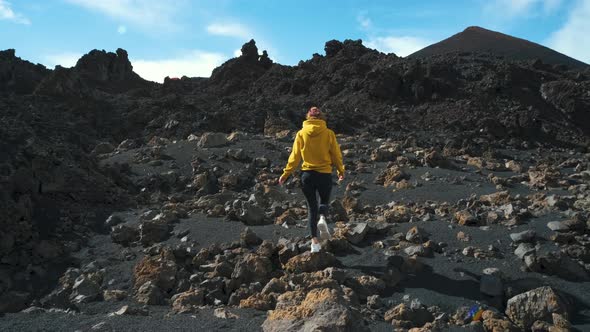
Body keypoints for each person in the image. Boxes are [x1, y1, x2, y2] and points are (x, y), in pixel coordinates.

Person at [279, 106, 345, 253]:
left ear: (308, 116)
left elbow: (295, 156)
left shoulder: (301, 133)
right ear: (321, 117)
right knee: (324, 201)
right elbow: (336, 154)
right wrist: (340, 170)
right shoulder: (328, 133)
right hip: (324, 174)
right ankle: (322, 218)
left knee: (311, 208)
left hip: (307, 175)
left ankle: (314, 242)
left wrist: (286, 173)